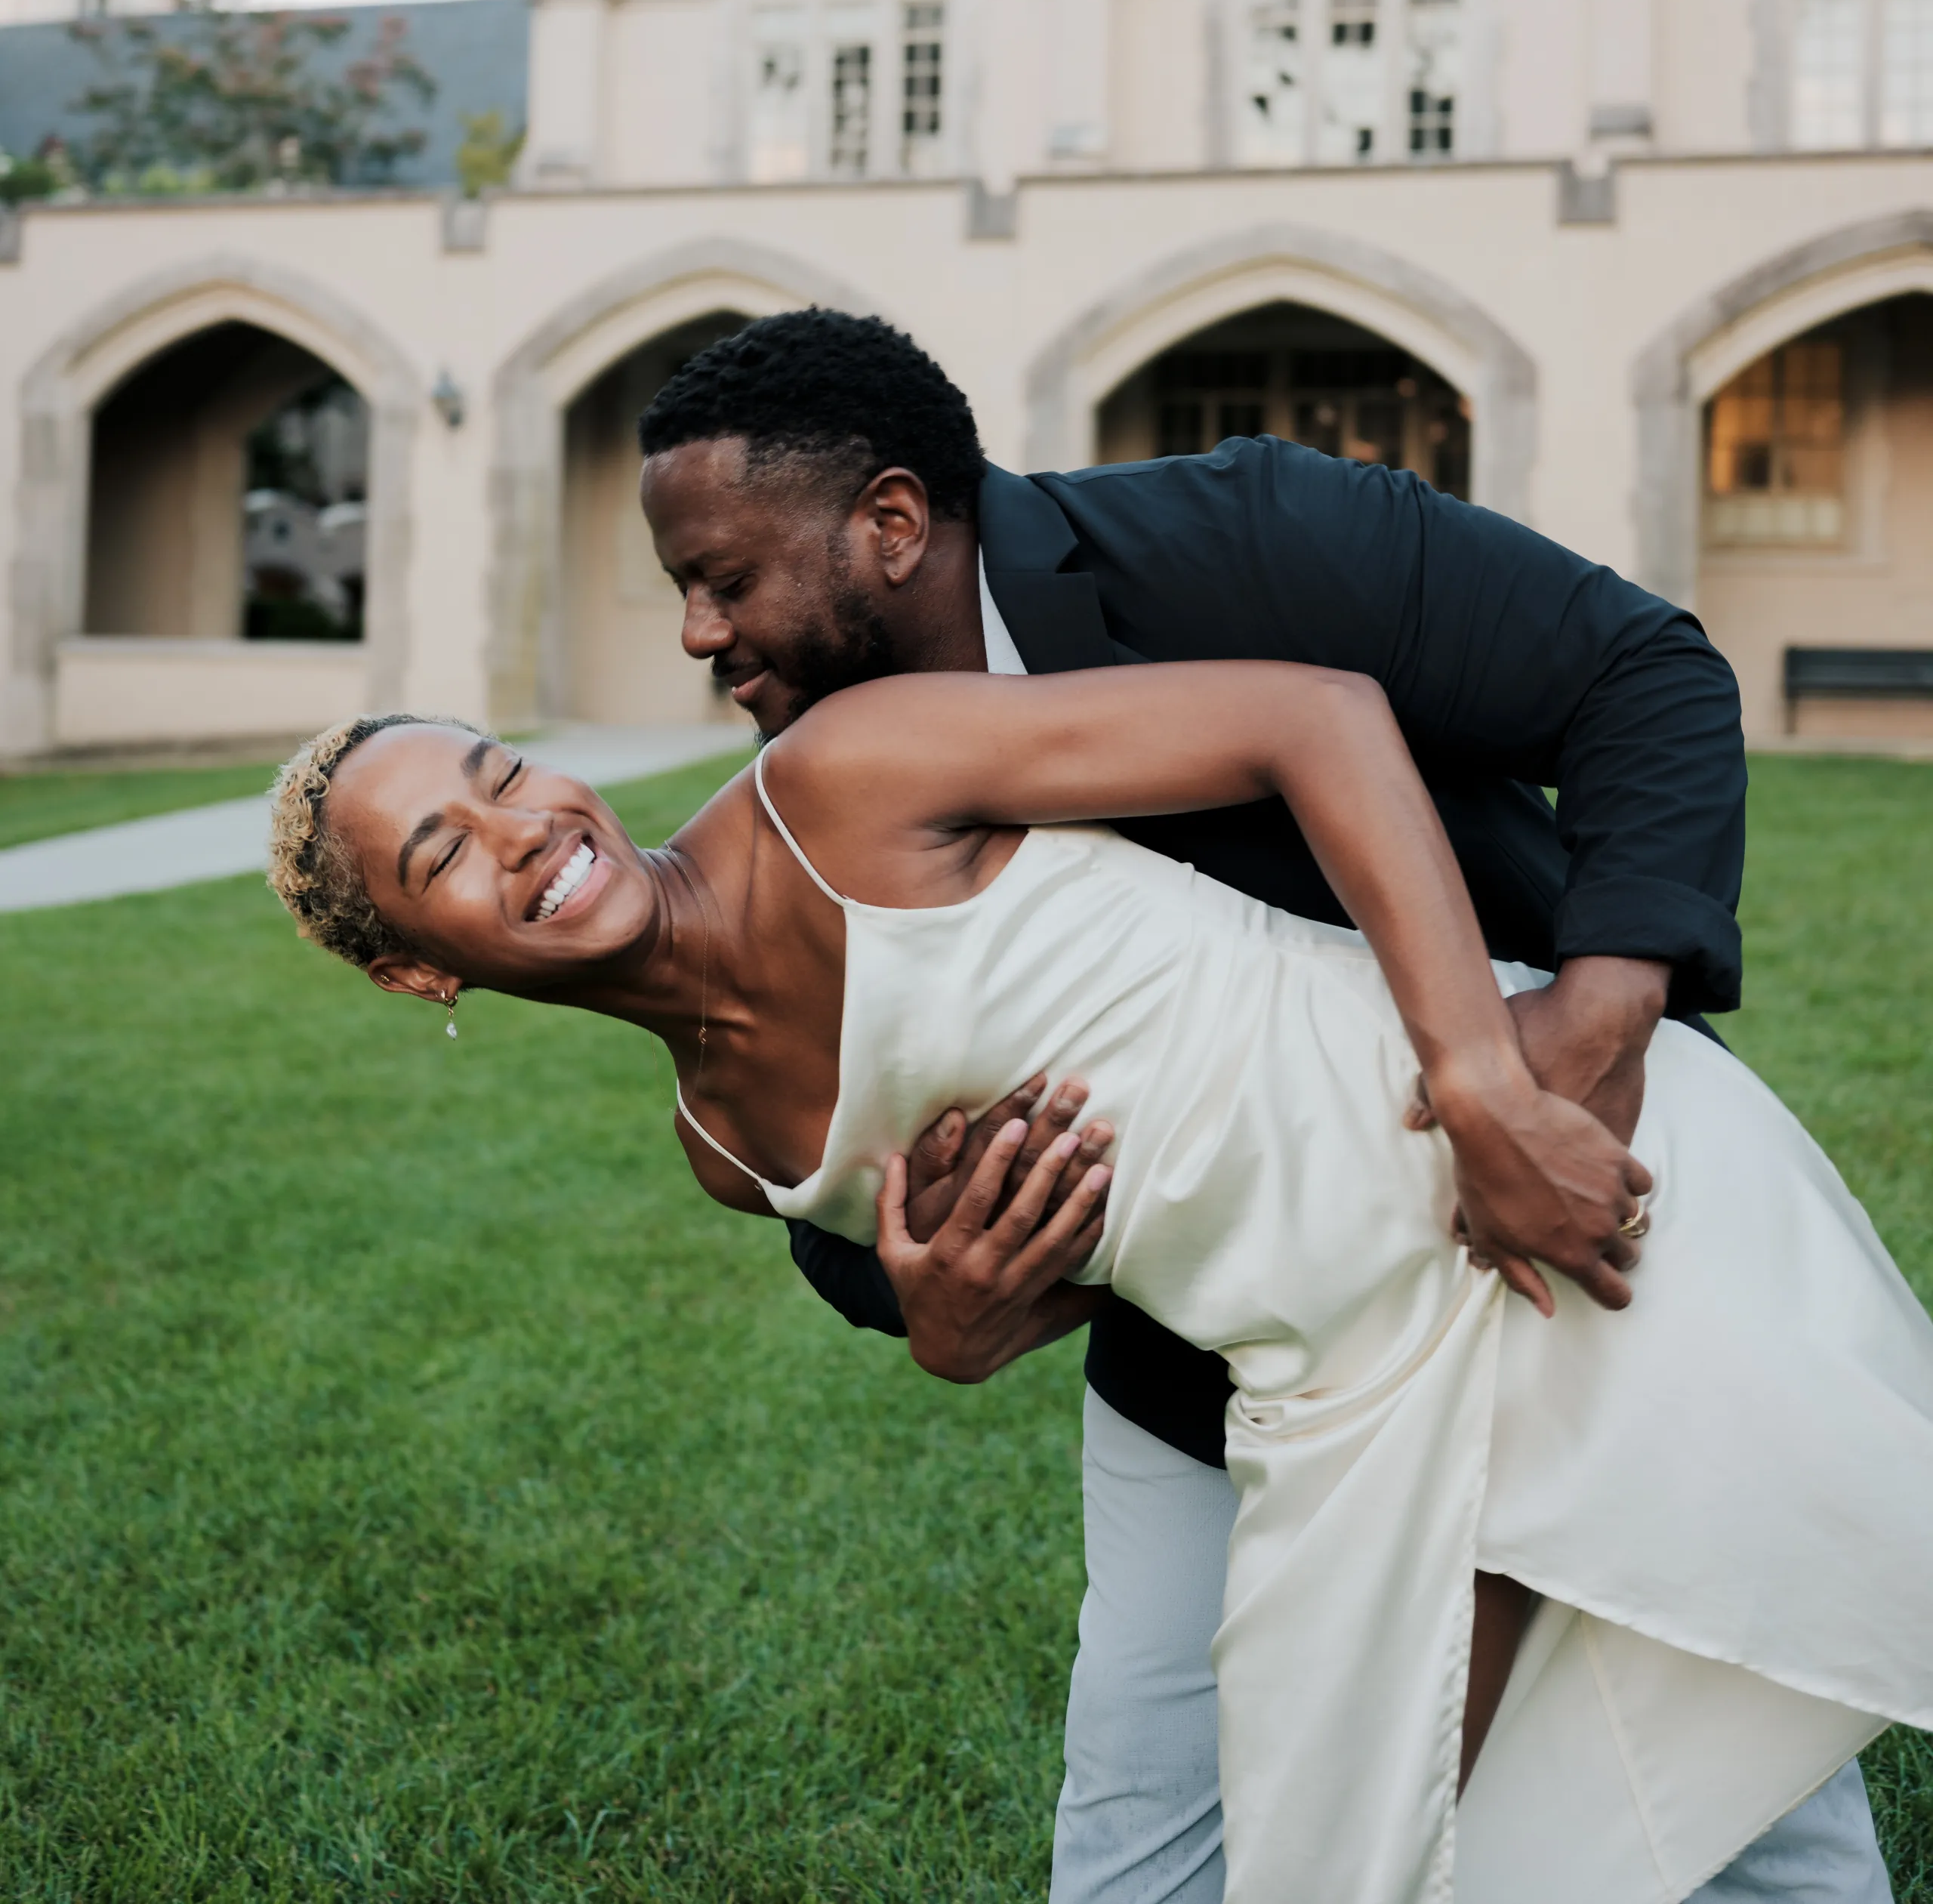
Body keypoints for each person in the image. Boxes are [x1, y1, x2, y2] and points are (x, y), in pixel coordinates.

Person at [265, 671, 1933, 1904]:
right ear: (423, 968)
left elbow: (1322, 719)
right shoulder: (727, 1146)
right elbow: (1097, 1242)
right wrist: (960, 1324)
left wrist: (1490, 1089)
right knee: (1353, 1863)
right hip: (1339, 1399)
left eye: (497, 775)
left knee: (1752, 1693)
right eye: (448, 855)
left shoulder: (837, 783)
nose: (525, 831)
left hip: (1529, 1210)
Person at [626, 311, 1894, 1903]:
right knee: (1145, 1843)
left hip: (1550, 1242)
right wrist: (918, 1298)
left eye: (724, 580)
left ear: (888, 523)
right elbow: (837, 1140)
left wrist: (1575, 1034)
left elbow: (1637, 671)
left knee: (1714, 1780)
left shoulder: (1251, 534)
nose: (695, 633)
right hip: (1216, 1365)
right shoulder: (805, 792)